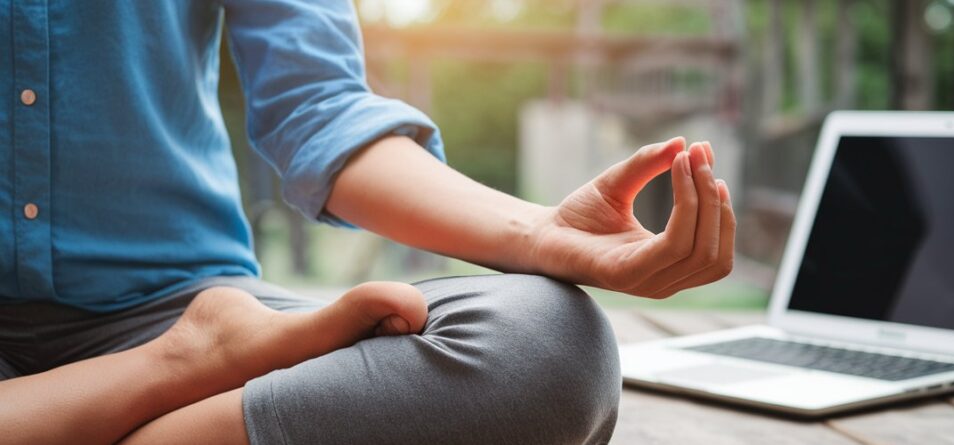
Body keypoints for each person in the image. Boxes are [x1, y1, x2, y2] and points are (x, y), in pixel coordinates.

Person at [0, 1, 735, 444]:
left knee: (542, 344)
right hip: (187, 353)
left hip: (171, 299)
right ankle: (176, 369)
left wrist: (538, 233)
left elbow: (316, 107)